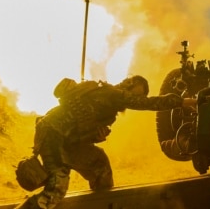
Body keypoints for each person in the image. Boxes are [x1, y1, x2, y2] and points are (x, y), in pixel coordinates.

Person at [15, 75, 196, 209]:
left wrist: (95, 137)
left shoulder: (109, 105)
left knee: (99, 164)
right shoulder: (112, 94)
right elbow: (148, 103)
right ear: (129, 84)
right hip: (53, 133)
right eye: (136, 94)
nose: (135, 99)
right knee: (56, 188)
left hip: (68, 141)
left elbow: (82, 129)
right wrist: (185, 102)